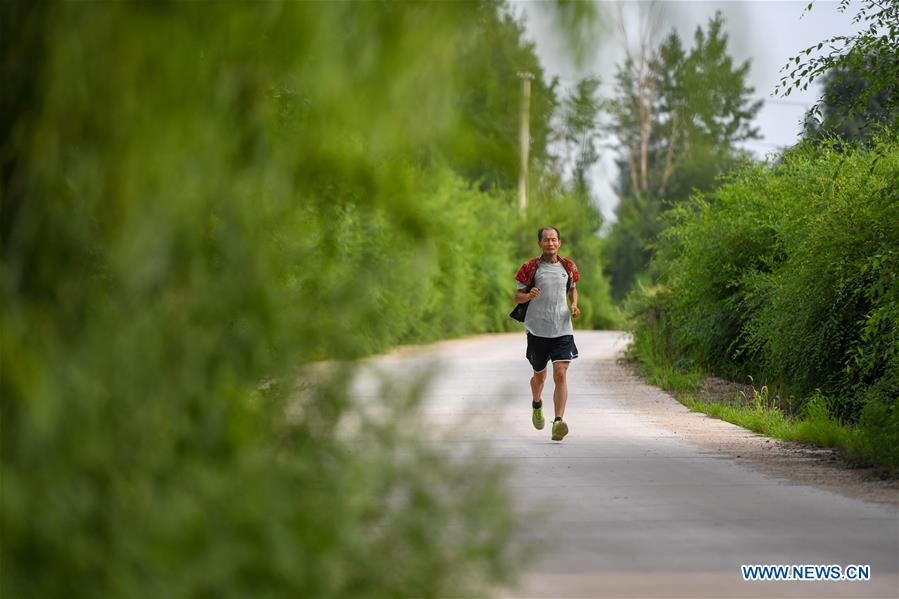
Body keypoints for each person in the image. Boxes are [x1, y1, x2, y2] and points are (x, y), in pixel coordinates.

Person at [514, 226, 580, 441]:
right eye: (546, 240)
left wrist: (574, 305)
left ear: (559, 242)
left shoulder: (568, 266)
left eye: (554, 240)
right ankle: (536, 403)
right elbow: (517, 297)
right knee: (539, 376)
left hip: (562, 328)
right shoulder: (530, 267)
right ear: (540, 243)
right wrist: (528, 295)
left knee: (560, 373)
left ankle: (558, 421)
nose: (550, 243)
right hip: (537, 329)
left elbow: (572, 288)